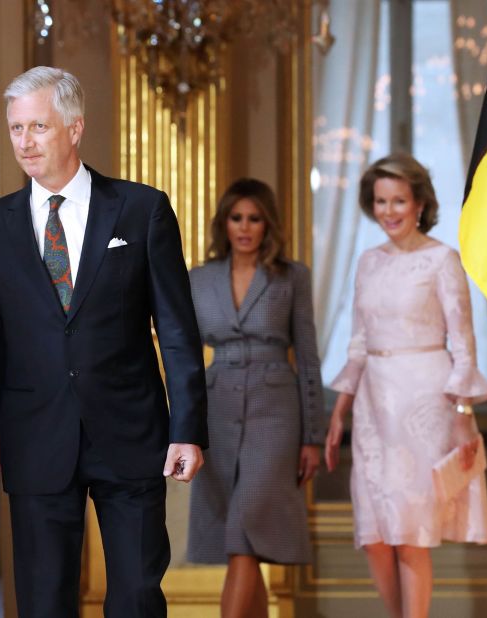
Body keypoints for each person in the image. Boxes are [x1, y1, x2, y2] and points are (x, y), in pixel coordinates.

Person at [0, 66, 209, 618]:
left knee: (137, 596)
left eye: (37, 126)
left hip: (131, 434)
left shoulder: (142, 209)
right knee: (43, 603)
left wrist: (188, 429)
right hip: (35, 436)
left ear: (74, 128)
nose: (24, 141)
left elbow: (178, 331)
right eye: (16, 129)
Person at [324, 152, 487, 618]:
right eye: (380, 201)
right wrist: (340, 410)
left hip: (425, 400)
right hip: (373, 405)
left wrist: (462, 416)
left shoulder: (442, 259)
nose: (389, 211)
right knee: (375, 535)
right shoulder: (367, 262)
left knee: (409, 534)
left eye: (399, 200)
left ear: (420, 203)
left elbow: (463, 344)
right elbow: (358, 343)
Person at [186, 179, 326, 618]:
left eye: (255, 218)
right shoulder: (198, 278)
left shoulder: (291, 276)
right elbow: (184, 355)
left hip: (276, 413)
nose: (245, 228)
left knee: (247, 522)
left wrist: (313, 437)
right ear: (223, 223)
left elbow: (307, 355)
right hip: (218, 409)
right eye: (236, 218)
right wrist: (183, 428)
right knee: (239, 533)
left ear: (268, 224)